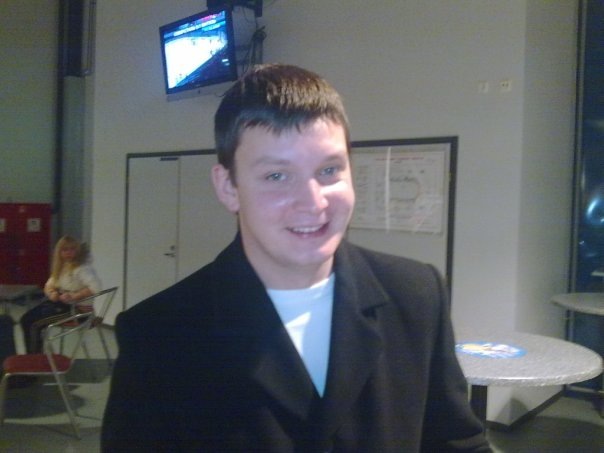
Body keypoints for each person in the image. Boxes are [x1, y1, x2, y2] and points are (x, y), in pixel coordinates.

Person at [102, 64, 491, 452]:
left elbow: (458, 442)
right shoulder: (159, 337)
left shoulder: (416, 296)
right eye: (277, 176)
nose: (312, 202)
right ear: (228, 187)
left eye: (329, 170)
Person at [20, 235, 101, 353]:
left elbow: (96, 287)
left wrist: (74, 296)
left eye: (72, 249)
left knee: (34, 324)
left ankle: (34, 357)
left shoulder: (82, 268)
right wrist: (52, 293)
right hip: (63, 306)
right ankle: (34, 356)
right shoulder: (62, 267)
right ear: (59, 252)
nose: (68, 253)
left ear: (77, 251)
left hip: (79, 311)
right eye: (65, 250)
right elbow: (49, 285)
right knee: (25, 319)